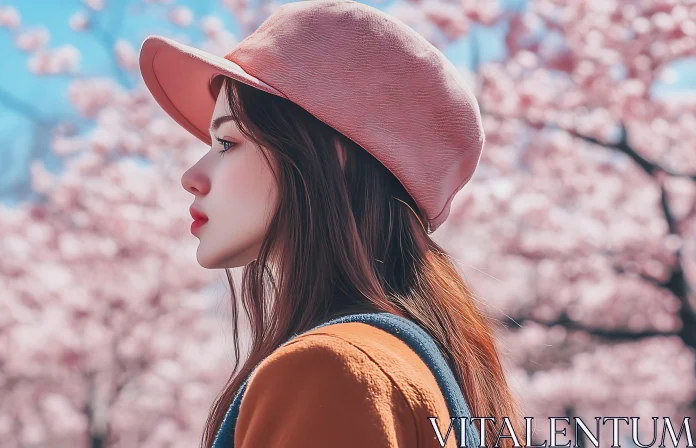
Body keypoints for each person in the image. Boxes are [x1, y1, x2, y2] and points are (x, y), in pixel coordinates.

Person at [139, 1, 526, 447]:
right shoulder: (408, 363)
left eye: (227, 142)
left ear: (336, 155)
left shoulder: (333, 369)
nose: (191, 178)